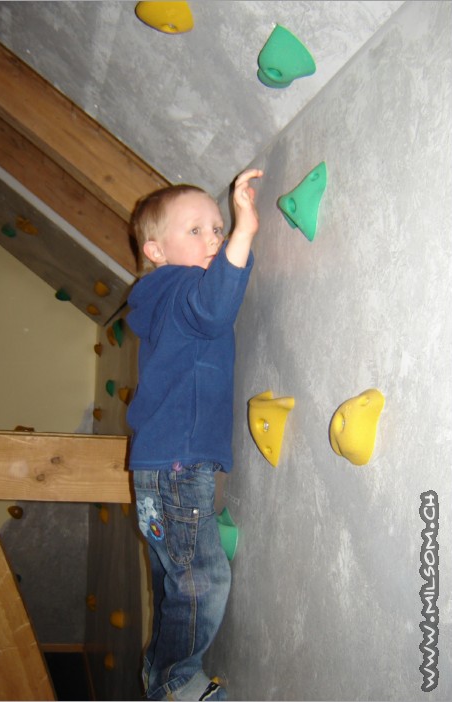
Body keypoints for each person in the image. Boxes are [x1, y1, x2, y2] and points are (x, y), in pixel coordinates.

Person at [126, 168, 263, 701]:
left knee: (180, 580)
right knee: (201, 581)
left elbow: (215, 301)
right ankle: (174, 682)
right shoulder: (177, 288)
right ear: (156, 250)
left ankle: (163, 676)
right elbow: (212, 306)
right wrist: (245, 231)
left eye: (218, 228)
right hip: (176, 468)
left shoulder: (167, 296)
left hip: (168, 467)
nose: (214, 237)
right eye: (197, 230)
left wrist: (235, 246)